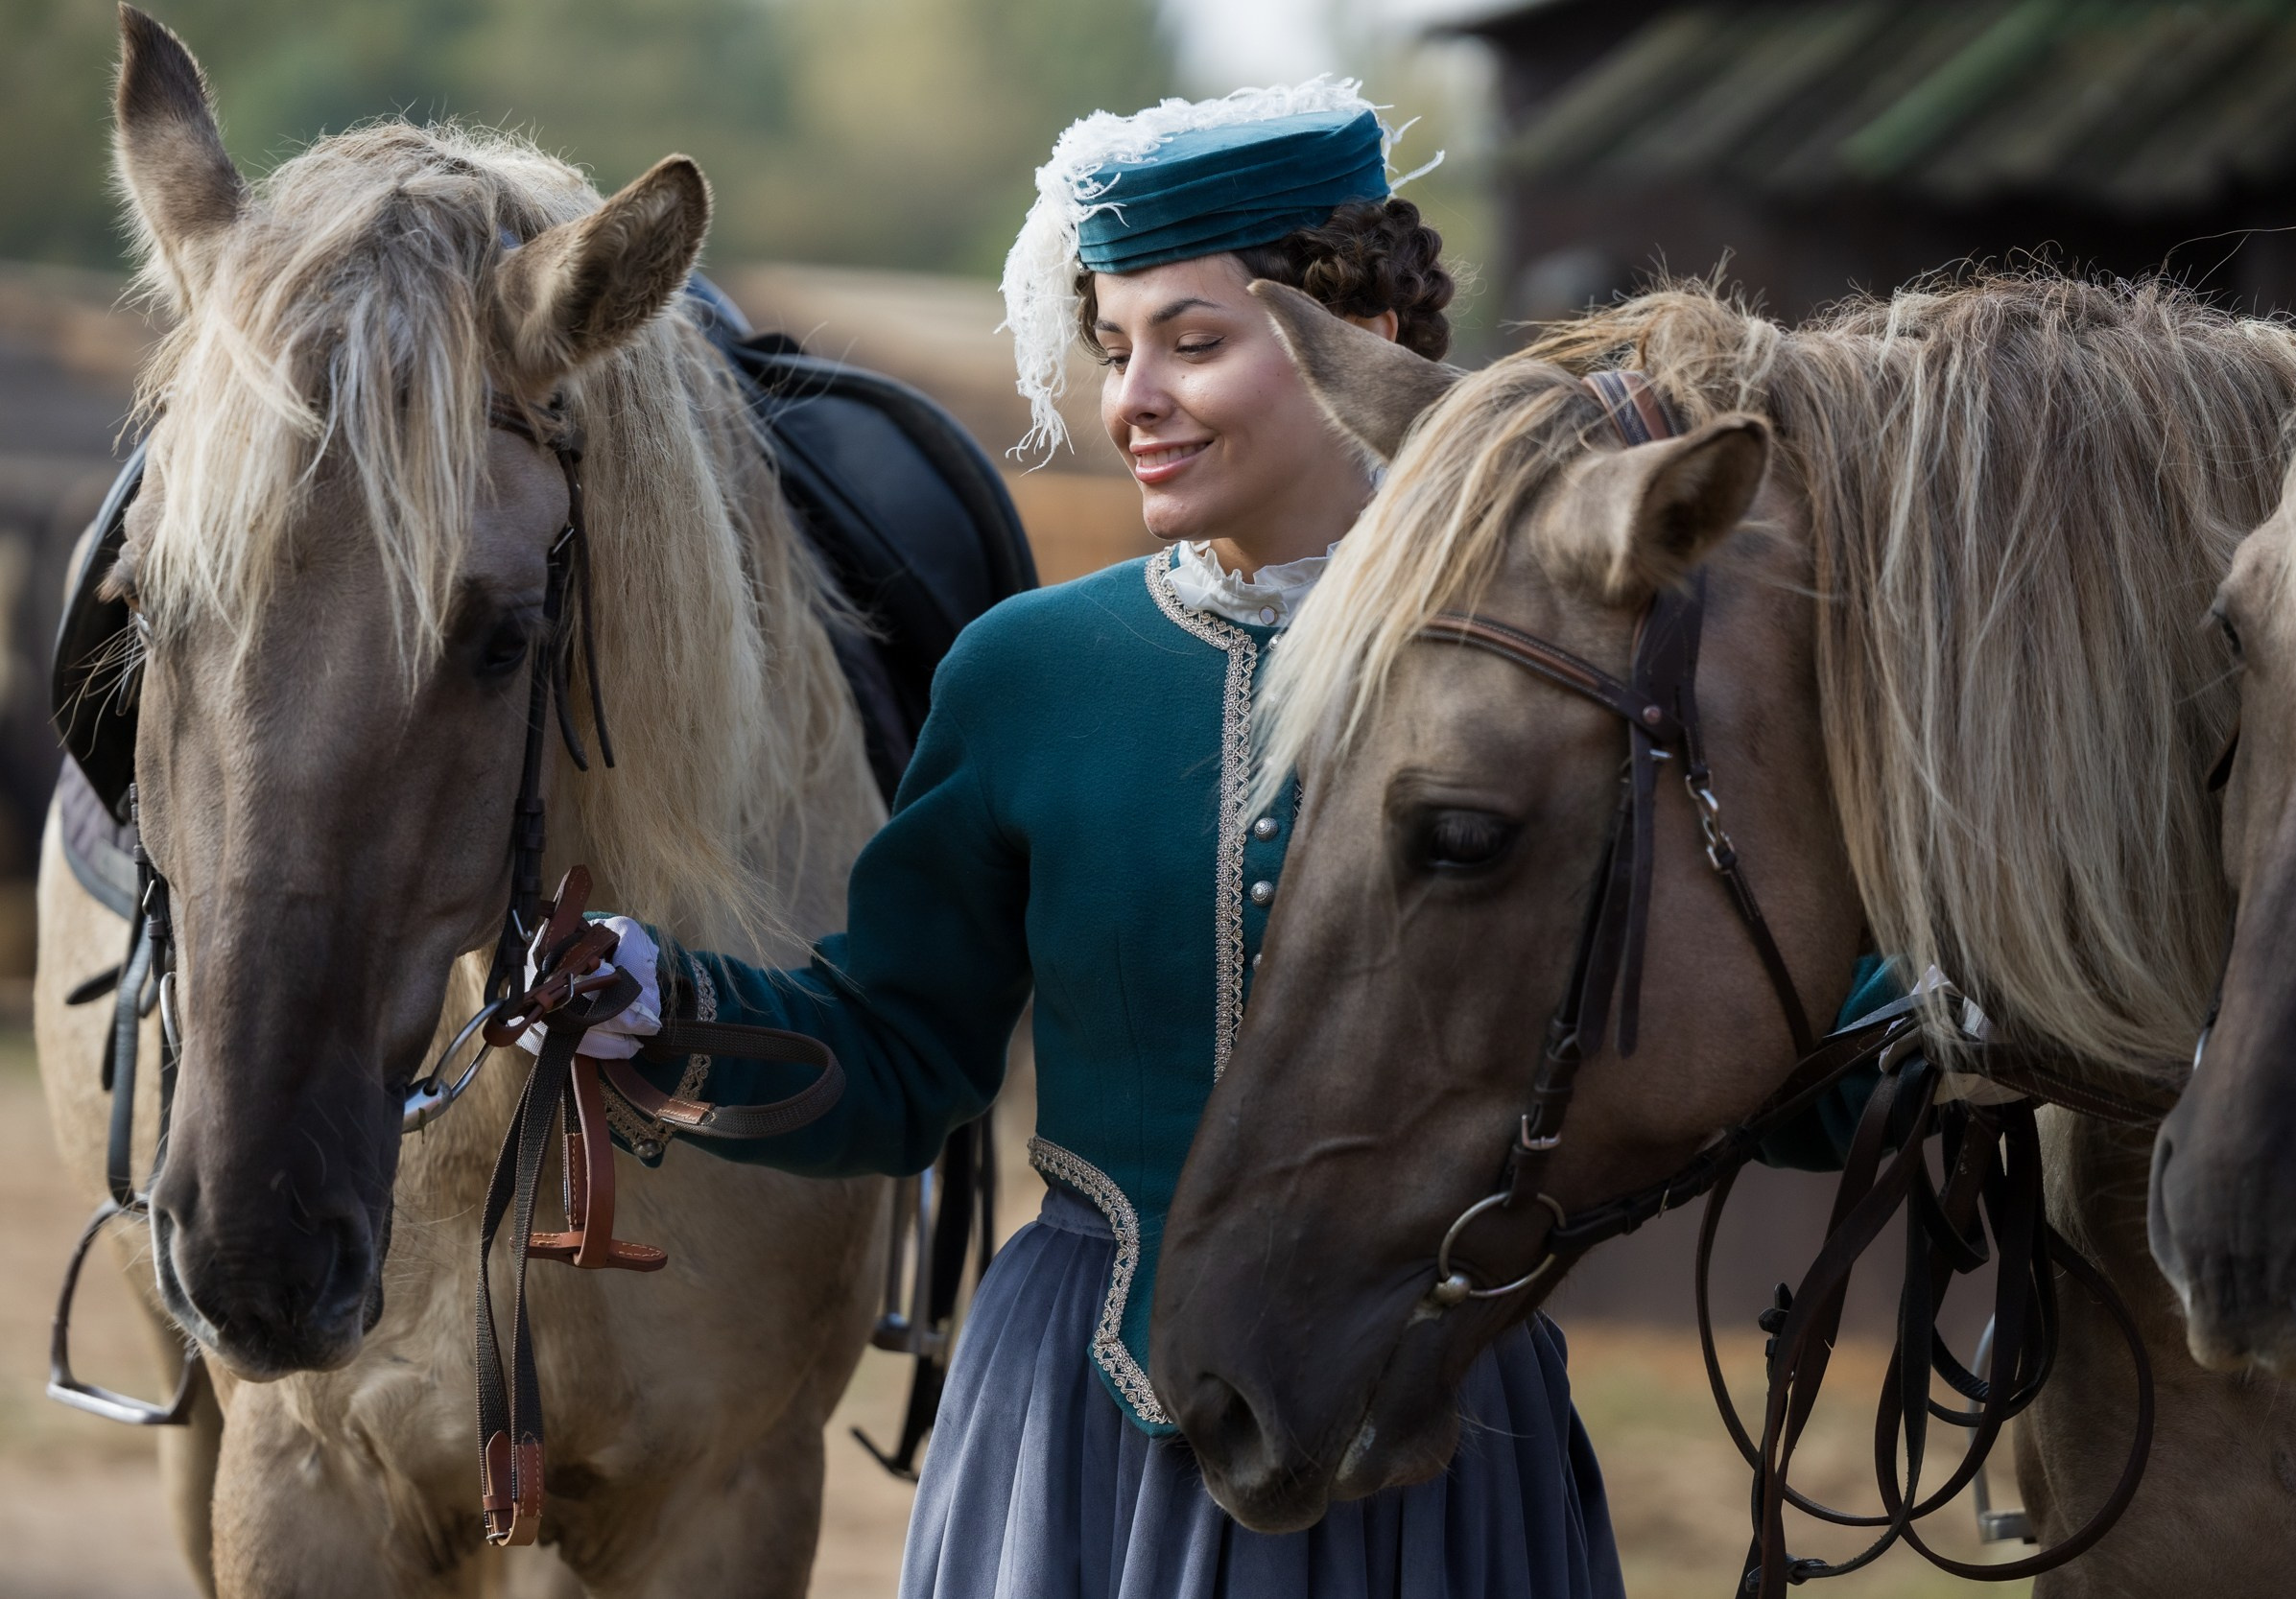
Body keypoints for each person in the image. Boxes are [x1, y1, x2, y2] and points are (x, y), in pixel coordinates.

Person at [570, 80, 1624, 1598]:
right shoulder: (1028, 674)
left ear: (1369, 334)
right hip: (1078, 1438)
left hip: (1437, 1431)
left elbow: (1738, 1001)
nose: (1132, 400)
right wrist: (661, 1002)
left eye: (1195, 342)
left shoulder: (1552, 655)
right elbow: (896, 1054)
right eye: (1117, 349)